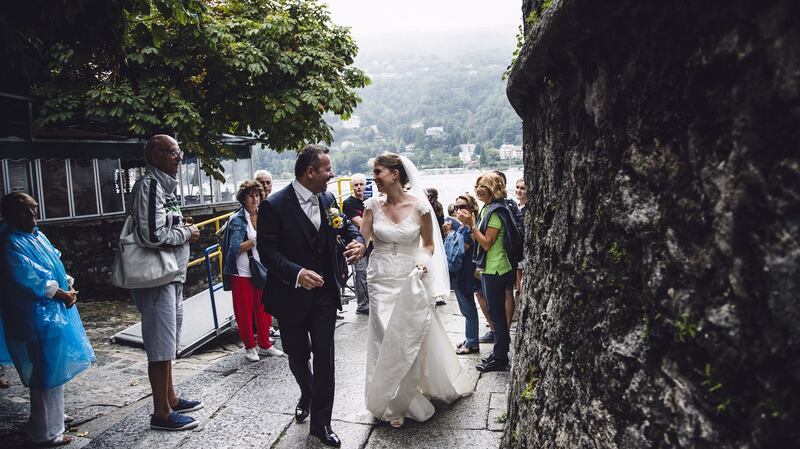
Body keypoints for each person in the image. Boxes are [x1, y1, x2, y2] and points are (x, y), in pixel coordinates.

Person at [257, 145, 364, 448]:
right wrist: (297, 273)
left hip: (326, 294)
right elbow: (267, 252)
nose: (332, 174)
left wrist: (358, 242)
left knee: (325, 357)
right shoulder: (274, 205)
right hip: (290, 296)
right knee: (297, 355)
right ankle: (307, 391)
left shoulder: (328, 199)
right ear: (310, 172)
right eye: (327, 170)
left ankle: (321, 424)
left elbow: (345, 228)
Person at [358, 153, 473, 428]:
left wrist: (422, 262)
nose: (374, 178)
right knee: (383, 337)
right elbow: (363, 240)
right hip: (380, 279)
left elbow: (429, 245)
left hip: (408, 279)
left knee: (406, 336)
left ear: (395, 174)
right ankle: (389, 400)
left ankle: (404, 396)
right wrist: (357, 249)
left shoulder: (420, 207)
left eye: (378, 172)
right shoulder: (371, 206)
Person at [0, 192, 95, 446]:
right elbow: (30, 278)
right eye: (25, 212)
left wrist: (67, 284)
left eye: (34, 210)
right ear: (10, 214)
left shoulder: (34, 235)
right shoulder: (10, 242)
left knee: (52, 367)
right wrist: (62, 293)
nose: (33, 216)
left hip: (49, 313)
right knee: (43, 373)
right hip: (34, 316)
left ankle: (54, 417)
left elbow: (53, 263)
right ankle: (46, 431)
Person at [127, 135, 204, 431]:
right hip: (157, 277)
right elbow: (152, 235)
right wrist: (187, 234)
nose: (179, 158)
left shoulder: (162, 187)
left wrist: (181, 227)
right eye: (174, 152)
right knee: (160, 345)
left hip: (170, 275)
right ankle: (161, 413)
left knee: (168, 341)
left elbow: (161, 226)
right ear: (156, 155)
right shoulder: (150, 185)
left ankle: (170, 398)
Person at [457, 172, 517, 372]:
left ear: (493, 188)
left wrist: (471, 225)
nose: (478, 189)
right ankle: (498, 353)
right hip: (491, 267)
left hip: (496, 268)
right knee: (495, 313)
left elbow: (487, 243)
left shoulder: (496, 212)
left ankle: (500, 358)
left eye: (483, 186)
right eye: (477, 185)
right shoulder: (488, 209)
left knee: (497, 315)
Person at [222, 180, 285, 361]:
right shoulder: (237, 220)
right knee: (244, 311)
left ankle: (265, 344)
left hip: (262, 268)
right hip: (241, 272)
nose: (254, 199)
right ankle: (250, 346)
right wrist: (254, 241)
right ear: (243, 198)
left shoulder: (265, 215)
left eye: (257, 195)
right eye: (250, 196)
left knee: (265, 308)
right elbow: (233, 249)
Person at [450, 194, 482, 355]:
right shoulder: (463, 226)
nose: (458, 210)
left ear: (471, 208)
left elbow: (460, 250)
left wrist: (449, 235)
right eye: (456, 207)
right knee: (466, 308)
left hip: (466, 272)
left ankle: (472, 342)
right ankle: (470, 338)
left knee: (468, 309)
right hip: (462, 271)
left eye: (462, 206)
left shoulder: (469, 227)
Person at [342, 173, 370, 315]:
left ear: (365, 185)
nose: (359, 187)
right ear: (352, 186)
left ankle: (371, 302)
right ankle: (362, 305)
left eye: (361, 184)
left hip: (371, 241)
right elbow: (360, 222)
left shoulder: (368, 201)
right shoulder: (348, 203)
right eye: (356, 185)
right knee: (361, 272)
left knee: (371, 272)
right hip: (357, 241)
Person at [515, 178, 527, 292]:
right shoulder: (514, 208)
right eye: (517, 187)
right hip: (515, 250)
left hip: (525, 250)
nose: (519, 190)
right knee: (518, 283)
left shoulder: (529, 209)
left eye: (522, 188)